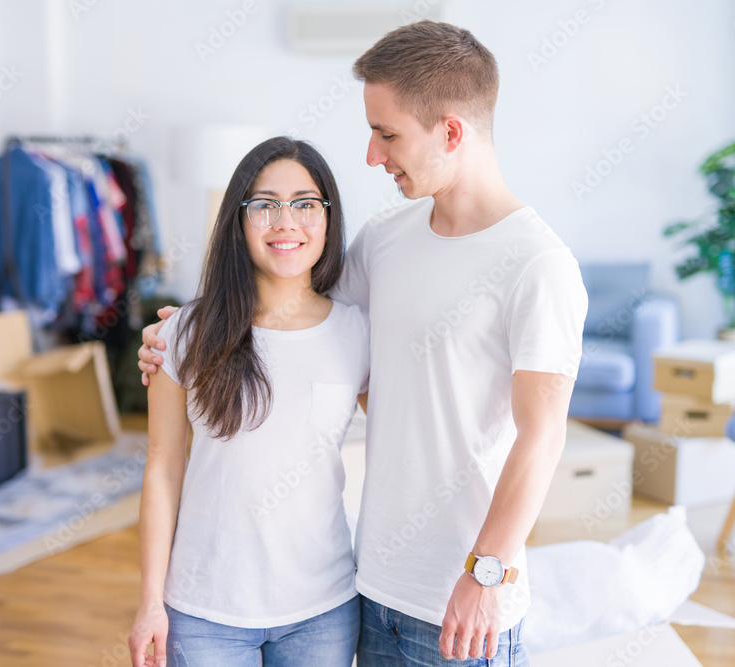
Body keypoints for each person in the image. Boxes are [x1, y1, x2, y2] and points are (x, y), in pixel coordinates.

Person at [139, 21, 588, 666]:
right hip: (369, 590)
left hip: (461, 603)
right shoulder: (385, 240)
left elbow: (542, 437)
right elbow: (290, 314)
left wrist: (486, 575)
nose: (373, 156)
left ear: (451, 131)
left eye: (388, 133)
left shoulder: (537, 265)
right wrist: (176, 338)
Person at [128, 136, 370, 667]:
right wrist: (150, 602)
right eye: (265, 205)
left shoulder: (358, 333)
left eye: (306, 204)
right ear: (238, 221)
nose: (286, 222)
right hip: (202, 609)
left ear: (328, 220)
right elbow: (163, 468)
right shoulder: (185, 331)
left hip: (322, 609)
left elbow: (409, 439)